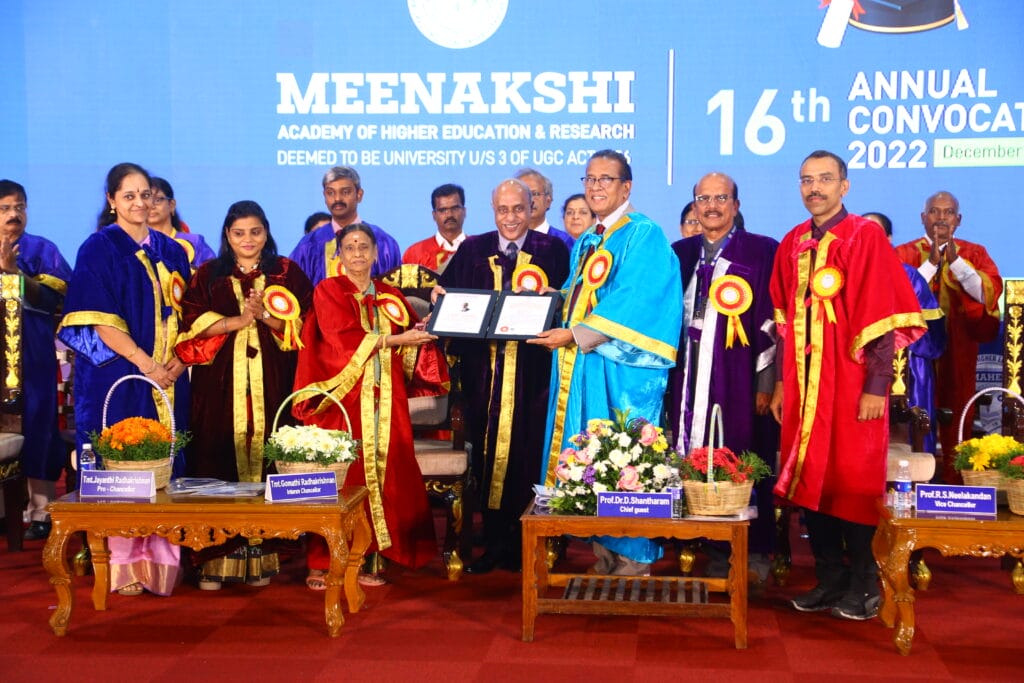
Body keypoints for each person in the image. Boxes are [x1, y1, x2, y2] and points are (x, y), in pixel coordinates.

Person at [770, 150, 925, 620]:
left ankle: (864, 583)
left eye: (824, 179)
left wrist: (877, 386)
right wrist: (781, 385)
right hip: (804, 387)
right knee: (812, 478)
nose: (814, 188)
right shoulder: (792, 241)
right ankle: (829, 579)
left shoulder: (864, 235)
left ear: (844, 185)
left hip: (852, 382)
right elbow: (783, 324)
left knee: (853, 481)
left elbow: (882, 317)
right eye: (806, 180)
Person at [531, 150, 682, 576]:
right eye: (589, 179)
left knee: (624, 453)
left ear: (626, 186)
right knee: (590, 453)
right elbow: (581, 294)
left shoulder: (643, 234)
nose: (595, 187)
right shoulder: (590, 239)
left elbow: (636, 300)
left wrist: (574, 334)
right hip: (587, 364)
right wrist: (553, 300)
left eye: (605, 179)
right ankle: (604, 549)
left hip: (623, 369)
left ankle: (634, 555)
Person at [58, 162, 191, 597]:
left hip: (167, 376)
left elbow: (187, 318)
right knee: (124, 463)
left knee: (165, 461)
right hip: (117, 374)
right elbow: (99, 321)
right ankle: (123, 564)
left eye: (146, 195)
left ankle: (163, 561)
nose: (139, 203)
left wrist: (177, 363)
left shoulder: (172, 252)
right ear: (112, 200)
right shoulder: (99, 248)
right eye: (129, 195)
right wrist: (145, 363)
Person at [175, 200, 313, 589]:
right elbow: (191, 322)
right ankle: (213, 558)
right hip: (218, 386)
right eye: (239, 233)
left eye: (255, 232)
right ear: (227, 235)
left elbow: (305, 325)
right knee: (216, 455)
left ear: (266, 233)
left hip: (272, 380)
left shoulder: (286, 272)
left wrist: (265, 316)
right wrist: (238, 320)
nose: (247, 240)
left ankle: (261, 552)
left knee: (270, 454)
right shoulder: (209, 274)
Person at [293, 223, 440, 588]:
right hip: (341, 400)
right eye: (350, 247)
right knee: (340, 477)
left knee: (387, 474)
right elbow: (342, 339)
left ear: (376, 253)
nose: (357, 253)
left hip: (385, 400)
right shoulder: (328, 290)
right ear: (339, 254)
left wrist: (428, 325)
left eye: (364, 247)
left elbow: (412, 343)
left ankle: (371, 557)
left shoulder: (391, 296)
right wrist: (398, 339)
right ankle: (323, 561)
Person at [436, 179, 569, 573]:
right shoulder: (473, 250)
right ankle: (494, 543)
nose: (510, 217)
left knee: (530, 456)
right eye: (502, 209)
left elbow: (573, 303)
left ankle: (533, 543)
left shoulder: (554, 249)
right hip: (485, 377)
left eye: (518, 209)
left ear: (532, 208)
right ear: (493, 210)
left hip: (534, 376)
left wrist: (558, 297)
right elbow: (450, 297)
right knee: (487, 458)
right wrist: (440, 299)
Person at [667, 172, 779, 578]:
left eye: (720, 198)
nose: (711, 206)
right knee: (684, 452)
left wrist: (766, 384)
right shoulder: (679, 253)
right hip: (687, 375)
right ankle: (690, 539)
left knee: (743, 452)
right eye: (703, 199)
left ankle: (749, 551)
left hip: (739, 377)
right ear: (694, 205)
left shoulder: (762, 251)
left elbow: (773, 321)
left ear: (736, 204)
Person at [894, 193, 1002, 480]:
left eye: (949, 212)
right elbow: (896, 294)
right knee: (915, 414)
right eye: (934, 211)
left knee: (959, 411)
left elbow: (988, 294)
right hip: (914, 354)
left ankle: (957, 483)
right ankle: (916, 481)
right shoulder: (903, 253)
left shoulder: (975, 253)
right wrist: (930, 265)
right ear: (923, 217)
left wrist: (956, 264)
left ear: (958, 219)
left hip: (959, 347)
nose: (941, 218)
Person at [0, 180, 72, 542]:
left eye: (20, 207)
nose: (14, 214)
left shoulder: (42, 250)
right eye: (5, 208)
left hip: (32, 355)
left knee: (38, 424)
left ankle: (42, 510)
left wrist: (15, 273)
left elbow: (55, 301)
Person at [864, 211, 946, 453]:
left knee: (911, 440)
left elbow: (931, 331)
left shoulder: (908, 275)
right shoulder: (841, 274)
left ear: (888, 238)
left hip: (908, 368)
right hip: (858, 366)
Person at [289, 166, 401, 286]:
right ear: (324, 196)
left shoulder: (383, 242)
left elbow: (394, 293)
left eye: (345, 192)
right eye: (330, 193)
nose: (337, 198)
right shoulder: (309, 245)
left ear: (359, 195)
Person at [148, 177, 215, 270]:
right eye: (146, 200)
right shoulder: (135, 245)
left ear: (171, 205)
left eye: (157, 200)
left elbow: (213, 274)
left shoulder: (194, 242)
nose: (151, 206)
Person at [402, 183, 468, 273]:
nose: (449, 214)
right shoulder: (414, 254)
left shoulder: (480, 251)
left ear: (464, 211)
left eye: (455, 208)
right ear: (434, 215)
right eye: (443, 210)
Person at [515, 168, 575, 249]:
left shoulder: (564, 241)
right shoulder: (505, 241)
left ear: (548, 201)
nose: (530, 200)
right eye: (524, 194)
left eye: (535, 194)